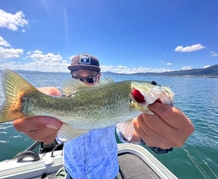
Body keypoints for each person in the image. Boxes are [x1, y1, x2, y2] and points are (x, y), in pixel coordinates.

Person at [13, 54, 194, 179]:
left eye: (90, 78)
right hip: (72, 174)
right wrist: (40, 110)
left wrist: (156, 140)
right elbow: (59, 130)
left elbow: (130, 133)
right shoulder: (61, 100)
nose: (84, 82)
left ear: (99, 77)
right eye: (77, 78)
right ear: (70, 78)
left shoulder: (125, 105)